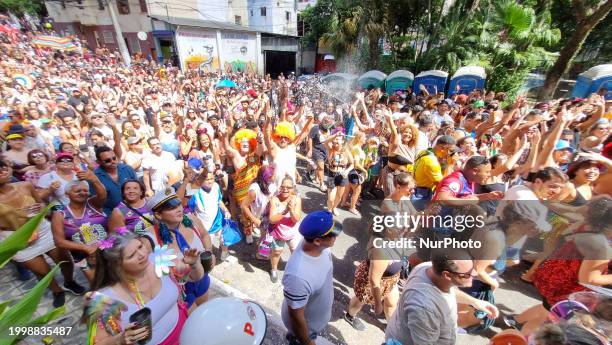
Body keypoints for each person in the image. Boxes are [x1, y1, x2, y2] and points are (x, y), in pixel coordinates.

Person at [85, 231, 204, 344]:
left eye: (140, 246)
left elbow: (196, 277)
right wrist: (119, 340)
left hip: (186, 332)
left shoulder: (160, 259)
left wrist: (194, 264)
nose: (142, 255)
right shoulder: (102, 300)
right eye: (132, 255)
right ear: (117, 267)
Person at [0, 160, 85, 308]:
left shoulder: (24, 185)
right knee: (42, 271)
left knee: (65, 260)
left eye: (3, 168)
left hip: (43, 229)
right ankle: (57, 291)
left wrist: (39, 208)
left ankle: (69, 282)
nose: (3, 172)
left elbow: (43, 206)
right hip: (17, 238)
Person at [385, 249, 499, 345]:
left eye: (472, 269)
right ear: (447, 275)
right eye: (467, 274)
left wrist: (475, 302)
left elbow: (448, 290)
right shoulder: (424, 309)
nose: (474, 274)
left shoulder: (428, 268)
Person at [145, 190, 215, 310]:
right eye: (171, 208)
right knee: (193, 322)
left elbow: (204, 235)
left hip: (202, 278)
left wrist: (209, 252)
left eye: (178, 204)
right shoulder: (150, 237)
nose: (178, 209)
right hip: (181, 290)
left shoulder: (191, 219)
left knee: (204, 310)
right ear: (158, 215)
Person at [282, 211, 341, 345]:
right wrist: (308, 342)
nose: (336, 237)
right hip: (306, 329)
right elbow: (296, 317)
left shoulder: (320, 247)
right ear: (317, 241)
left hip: (315, 320)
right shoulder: (298, 277)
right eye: (332, 235)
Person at [51, 174, 108, 283]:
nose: (82, 193)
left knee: (118, 277)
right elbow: (59, 242)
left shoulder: (93, 204)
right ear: (67, 194)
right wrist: (86, 248)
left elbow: (102, 195)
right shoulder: (60, 215)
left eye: (85, 191)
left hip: (107, 248)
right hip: (83, 256)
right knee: (97, 284)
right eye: (78, 191)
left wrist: (95, 180)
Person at [268, 176, 303, 283]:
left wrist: (291, 210)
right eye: (283, 187)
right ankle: (274, 270)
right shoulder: (275, 199)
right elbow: (272, 219)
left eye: (288, 187)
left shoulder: (296, 199)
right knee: (276, 253)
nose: (285, 189)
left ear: (293, 188)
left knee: (296, 252)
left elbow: (296, 219)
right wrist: (285, 211)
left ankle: (295, 270)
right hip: (278, 233)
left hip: (293, 233)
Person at [411, 135, 456, 211]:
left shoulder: (425, 152)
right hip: (422, 196)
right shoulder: (432, 161)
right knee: (420, 220)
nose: (451, 154)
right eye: (451, 151)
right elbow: (443, 184)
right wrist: (450, 165)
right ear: (442, 148)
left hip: (417, 190)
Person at [94, 146, 137, 215]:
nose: (112, 161)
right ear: (99, 162)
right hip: (111, 215)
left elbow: (138, 188)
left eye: (114, 158)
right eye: (107, 160)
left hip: (135, 211)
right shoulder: (95, 177)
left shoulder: (127, 169)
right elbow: (96, 201)